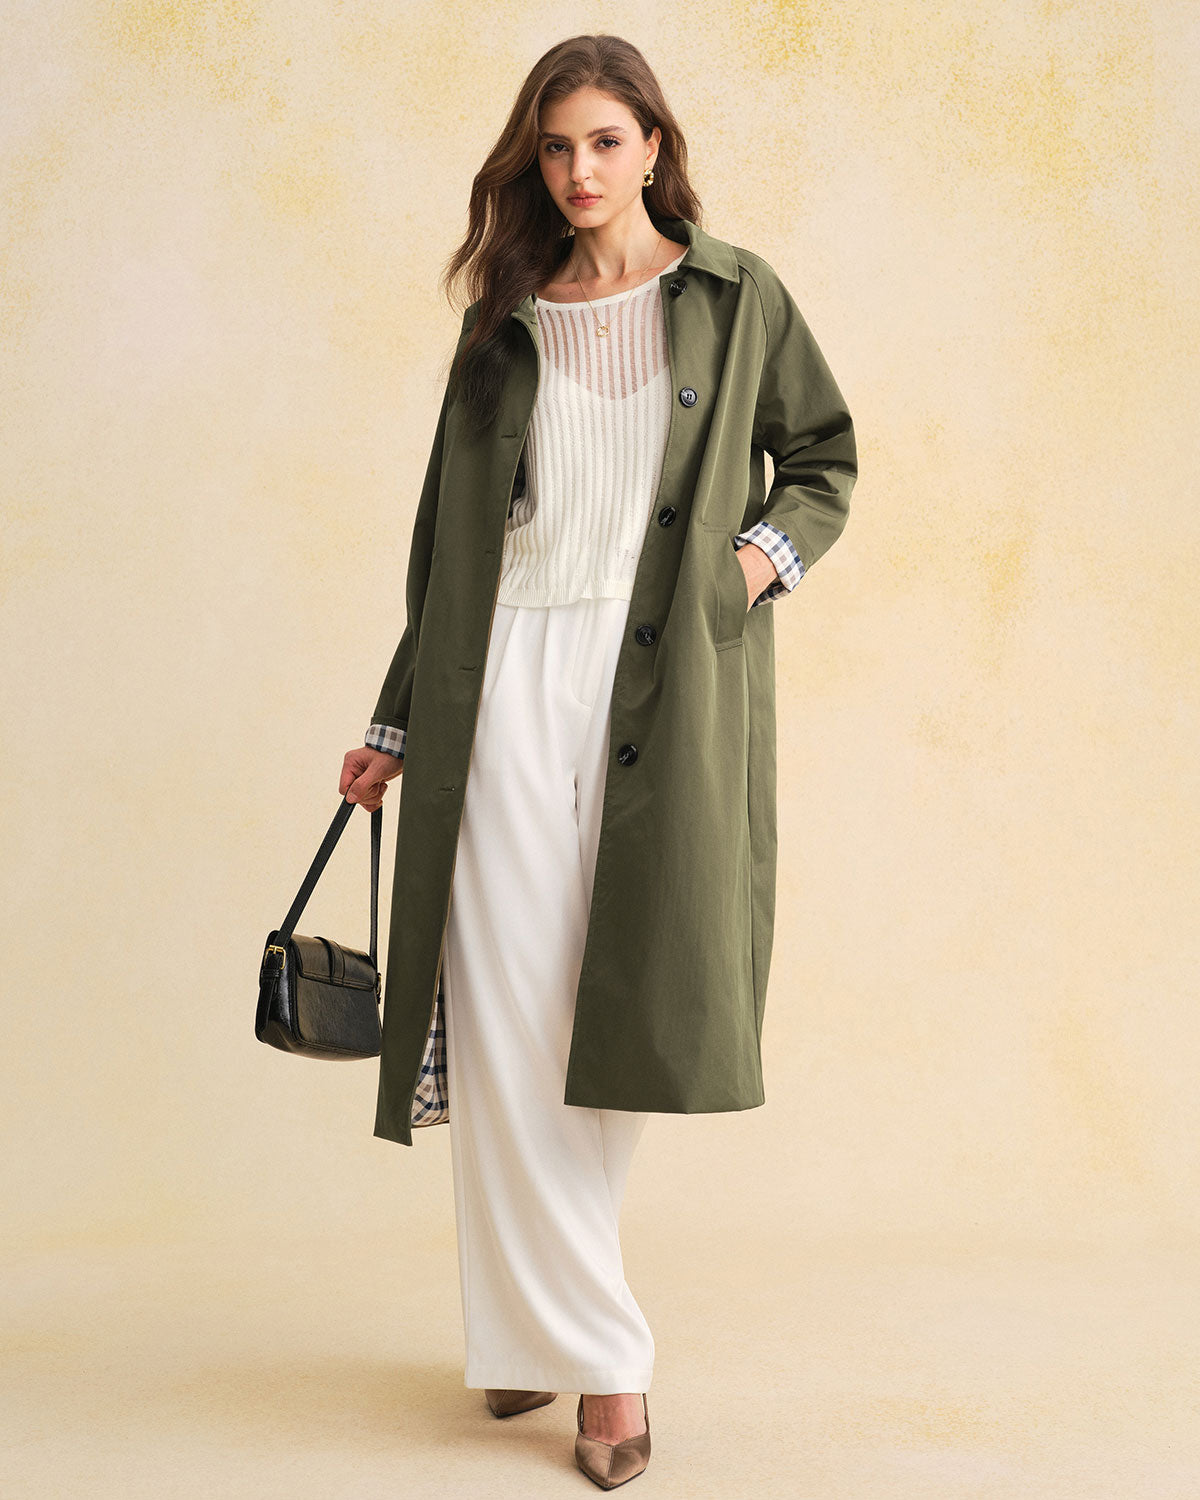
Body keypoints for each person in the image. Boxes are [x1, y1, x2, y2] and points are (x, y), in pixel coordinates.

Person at [338, 34, 856, 1490]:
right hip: (502, 678)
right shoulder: (503, 320)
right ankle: (605, 1365)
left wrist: (749, 569)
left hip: (660, 689)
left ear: (653, 146)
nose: (579, 171)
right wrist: (396, 723)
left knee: (613, 1006)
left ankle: (525, 1324)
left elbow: (824, 459)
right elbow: (445, 547)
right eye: (556, 147)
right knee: (507, 1008)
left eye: (605, 142)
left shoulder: (739, 298)